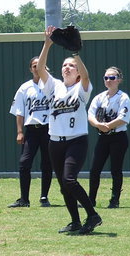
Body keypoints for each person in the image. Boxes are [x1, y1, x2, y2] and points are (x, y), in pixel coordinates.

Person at [36, 25, 102, 235]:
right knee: (63, 185)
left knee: (69, 180)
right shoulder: (54, 86)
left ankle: (92, 215)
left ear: (77, 72)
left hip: (76, 140)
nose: (67, 68)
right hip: (55, 141)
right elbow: (40, 69)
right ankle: (75, 221)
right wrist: (47, 44)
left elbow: (87, 75)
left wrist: (75, 54)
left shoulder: (82, 89)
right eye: (65, 65)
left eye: (71, 66)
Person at [8, 56, 53, 208]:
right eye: (34, 65)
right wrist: (20, 132)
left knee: (47, 163)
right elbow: (19, 111)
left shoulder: (52, 85)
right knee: (24, 162)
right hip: (32, 130)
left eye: (40, 65)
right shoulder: (24, 88)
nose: (37, 68)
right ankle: (24, 199)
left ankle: (44, 197)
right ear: (30, 69)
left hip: (48, 129)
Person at [87, 67, 130, 209]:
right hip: (103, 137)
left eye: (112, 78)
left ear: (119, 79)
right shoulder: (99, 97)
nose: (108, 80)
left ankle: (114, 200)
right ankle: (91, 200)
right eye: (106, 78)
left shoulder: (123, 97)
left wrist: (107, 126)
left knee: (115, 169)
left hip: (118, 137)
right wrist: (99, 125)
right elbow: (90, 115)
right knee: (94, 169)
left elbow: (123, 118)